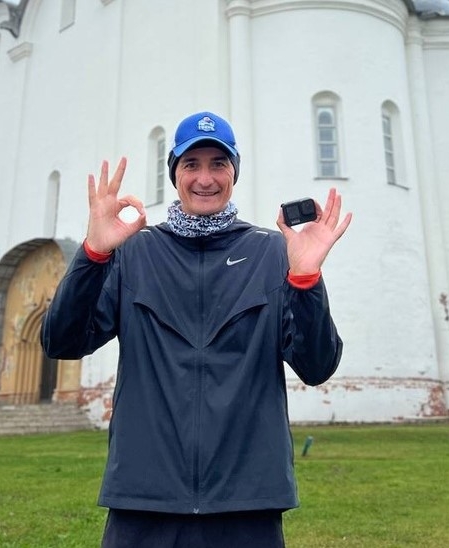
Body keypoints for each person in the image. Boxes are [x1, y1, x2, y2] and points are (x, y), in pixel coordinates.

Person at [41, 111, 351, 547]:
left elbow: (316, 366)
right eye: (191, 164)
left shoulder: (271, 252)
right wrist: (92, 254)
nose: (205, 178)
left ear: (234, 172)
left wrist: (306, 280)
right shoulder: (134, 252)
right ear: (175, 174)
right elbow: (61, 341)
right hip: (145, 499)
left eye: (218, 164)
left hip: (247, 502)